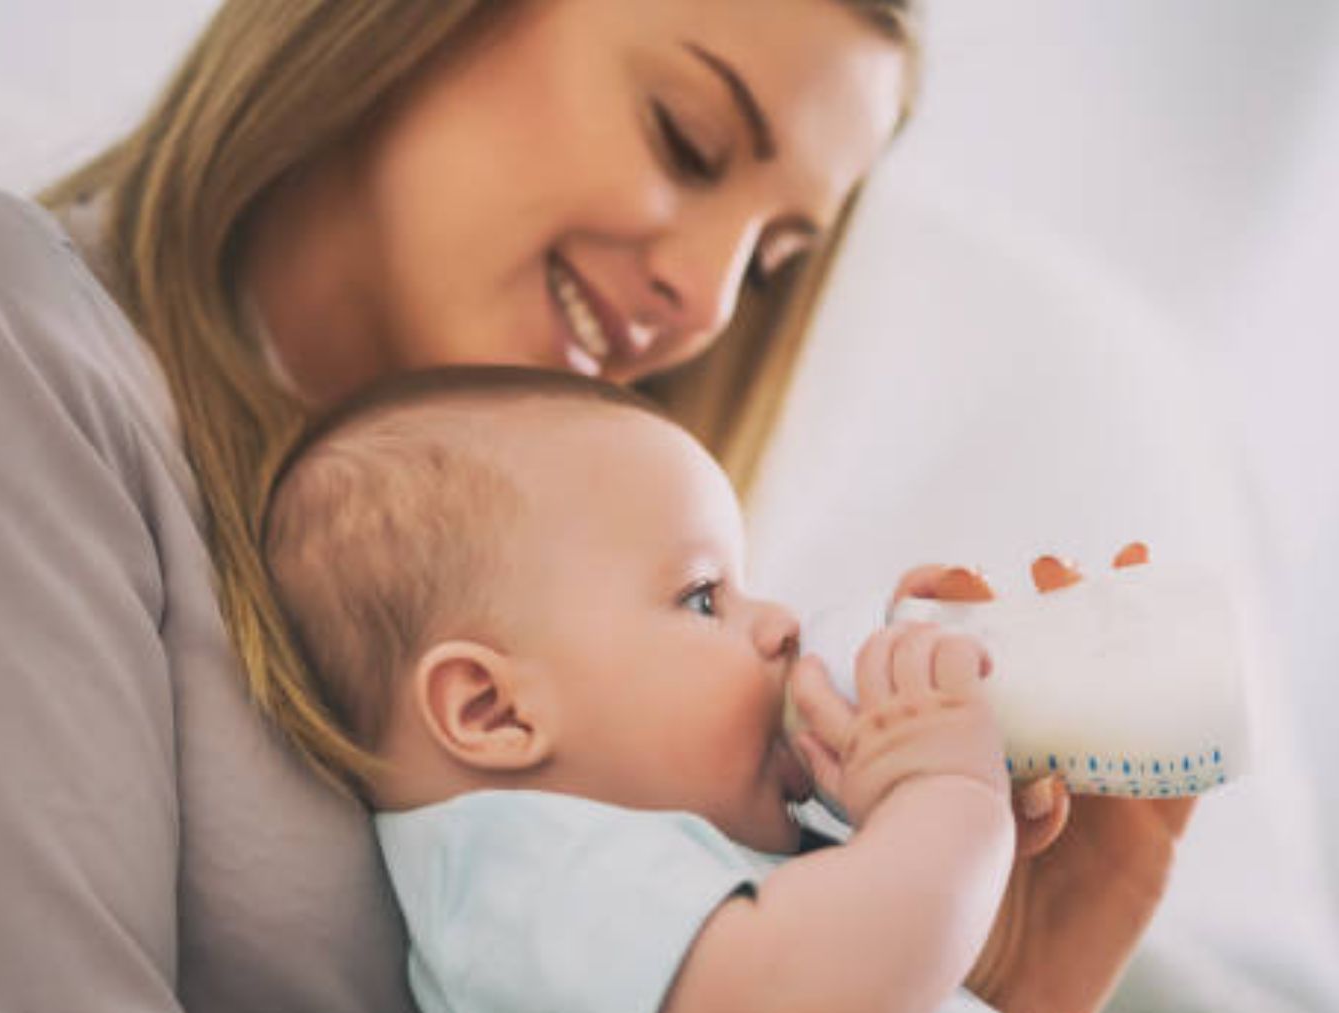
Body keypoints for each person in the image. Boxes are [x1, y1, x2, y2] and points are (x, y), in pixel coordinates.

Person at [0, 1, 1188, 1011]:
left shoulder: (599, 626)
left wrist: (994, 960)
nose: (705, 302)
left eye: (773, 258)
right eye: (687, 137)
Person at [264, 365, 1016, 1013]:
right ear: (492, 711)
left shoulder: (651, 864)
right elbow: (802, 993)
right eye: (702, 597)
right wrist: (947, 798)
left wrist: (899, 773)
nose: (783, 622)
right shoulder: (521, 871)